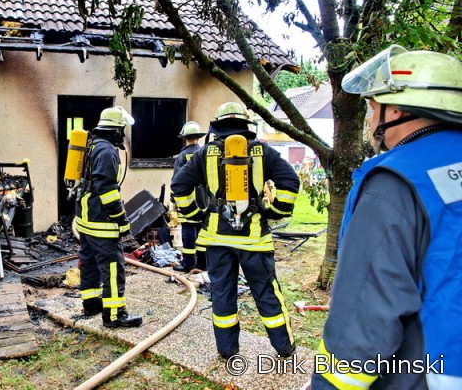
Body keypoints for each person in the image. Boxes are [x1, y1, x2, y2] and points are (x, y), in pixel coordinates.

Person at [309, 46, 462, 389]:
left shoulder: (396, 182)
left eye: (372, 108)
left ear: (395, 109)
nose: (369, 120)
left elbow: (363, 321)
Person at [171, 102, 299, 359]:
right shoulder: (263, 152)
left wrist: (196, 215)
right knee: (266, 292)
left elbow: (179, 185)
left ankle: (227, 350)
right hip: (254, 241)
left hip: (217, 240)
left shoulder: (204, 154)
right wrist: (275, 211)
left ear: (217, 126)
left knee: (222, 293)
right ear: (246, 125)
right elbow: (290, 181)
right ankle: (284, 347)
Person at [74, 106, 143, 328]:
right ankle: (114, 315)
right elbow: (108, 191)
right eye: (122, 130)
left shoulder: (91, 145)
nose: (122, 135)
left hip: (85, 218)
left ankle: (91, 304)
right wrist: (121, 220)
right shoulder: (106, 151)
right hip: (101, 221)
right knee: (113, 267)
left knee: (89, 262)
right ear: (115, 130)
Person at [171, 121, 207, 272]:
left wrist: (173, 199)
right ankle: (203, 263)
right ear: (198, 137)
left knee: (188, 231)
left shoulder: (183, 155)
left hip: (187, 200)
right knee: (203, 232)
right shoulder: (204, 153)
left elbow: (177, 180)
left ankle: (188, 263)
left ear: (185, 138)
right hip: (204, 200)